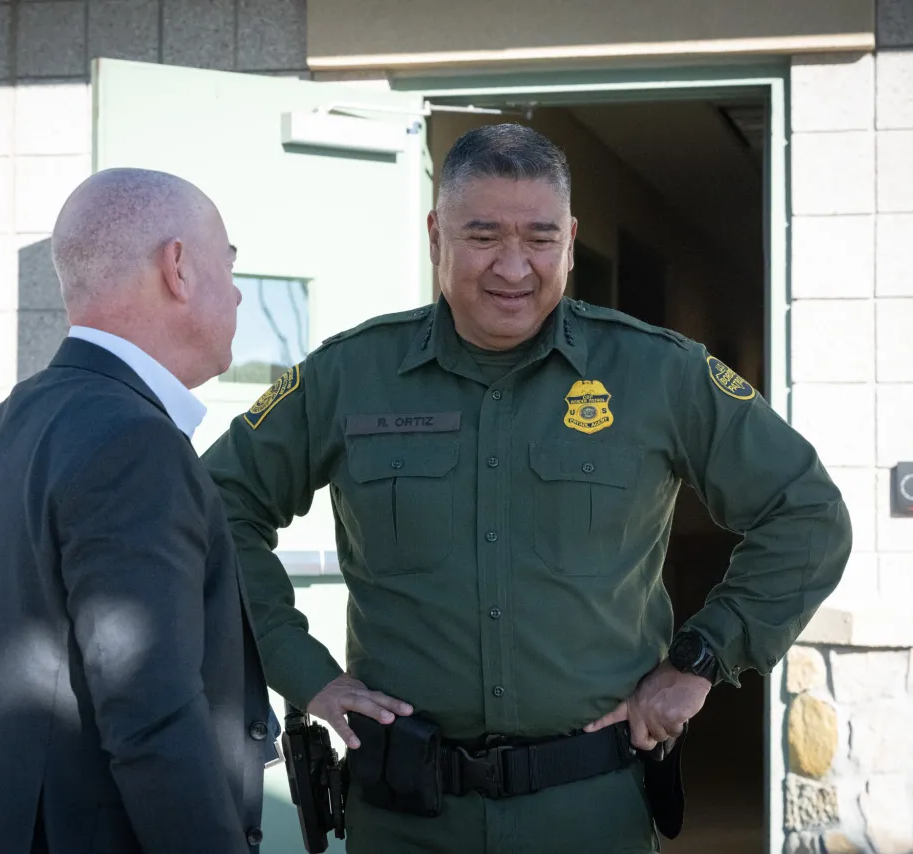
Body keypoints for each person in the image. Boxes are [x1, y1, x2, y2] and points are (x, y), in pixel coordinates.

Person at [201, 124, 851, 853]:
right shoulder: (348, 376)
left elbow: (808, 514)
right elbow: (212, 507)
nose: (513, 266)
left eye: (540, 238)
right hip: (407, 818)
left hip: (589, 812)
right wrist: (304, 672)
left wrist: (701, 660)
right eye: (482, 236)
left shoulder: (657, 374)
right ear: (435, 236)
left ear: (570, 241)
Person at [0, 168, 272, 854]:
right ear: (178, 269)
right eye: (229, 267)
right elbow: (153, 714)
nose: (236, 294)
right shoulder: (136, 443)